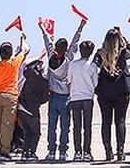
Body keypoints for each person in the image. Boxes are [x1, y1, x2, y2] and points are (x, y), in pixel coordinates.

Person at [43, 17, 85, 162]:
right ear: (66, 49)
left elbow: (47, 42)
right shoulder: (68, 59)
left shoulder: (50, 57)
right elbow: (75, 43)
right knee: (65, 126)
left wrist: (43, 29)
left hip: (53, 96)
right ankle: (62, 151)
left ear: (55, 48)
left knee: (51, 126)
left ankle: (51, 151)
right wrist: (80, 27)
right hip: (66, 97)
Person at [0, 32, 29, 162]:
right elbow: (23, 50)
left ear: (0, 53)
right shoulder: (15, 62)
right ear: (10, 54)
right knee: (7, 125)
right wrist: (22, 39)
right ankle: (4, 152)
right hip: (11, 95)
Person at [95, 26, 130, 163]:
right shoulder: (123, 53)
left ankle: (108, 152)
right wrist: (122, 36)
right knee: (120, 121)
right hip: (121, 91)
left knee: (106, 122)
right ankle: (120, 151)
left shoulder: (99, 54)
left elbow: (95, 67)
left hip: (104, 92)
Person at [68, 38, 98, 162]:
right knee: (87, 126)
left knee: (76, 126)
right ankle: (87, 151)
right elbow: (95, 82)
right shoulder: (92, 66)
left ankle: (77, 152)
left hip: (75, 97)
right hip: (87, 98)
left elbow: (69, 79)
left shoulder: (73, 64)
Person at [17, 58, 50, 162]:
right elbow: (45, 98)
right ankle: (31, 153)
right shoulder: (43, 81)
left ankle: (25, 152)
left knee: (27, 132)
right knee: (36, 133)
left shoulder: (27, 76)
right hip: (32, 110)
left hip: (21, 108)